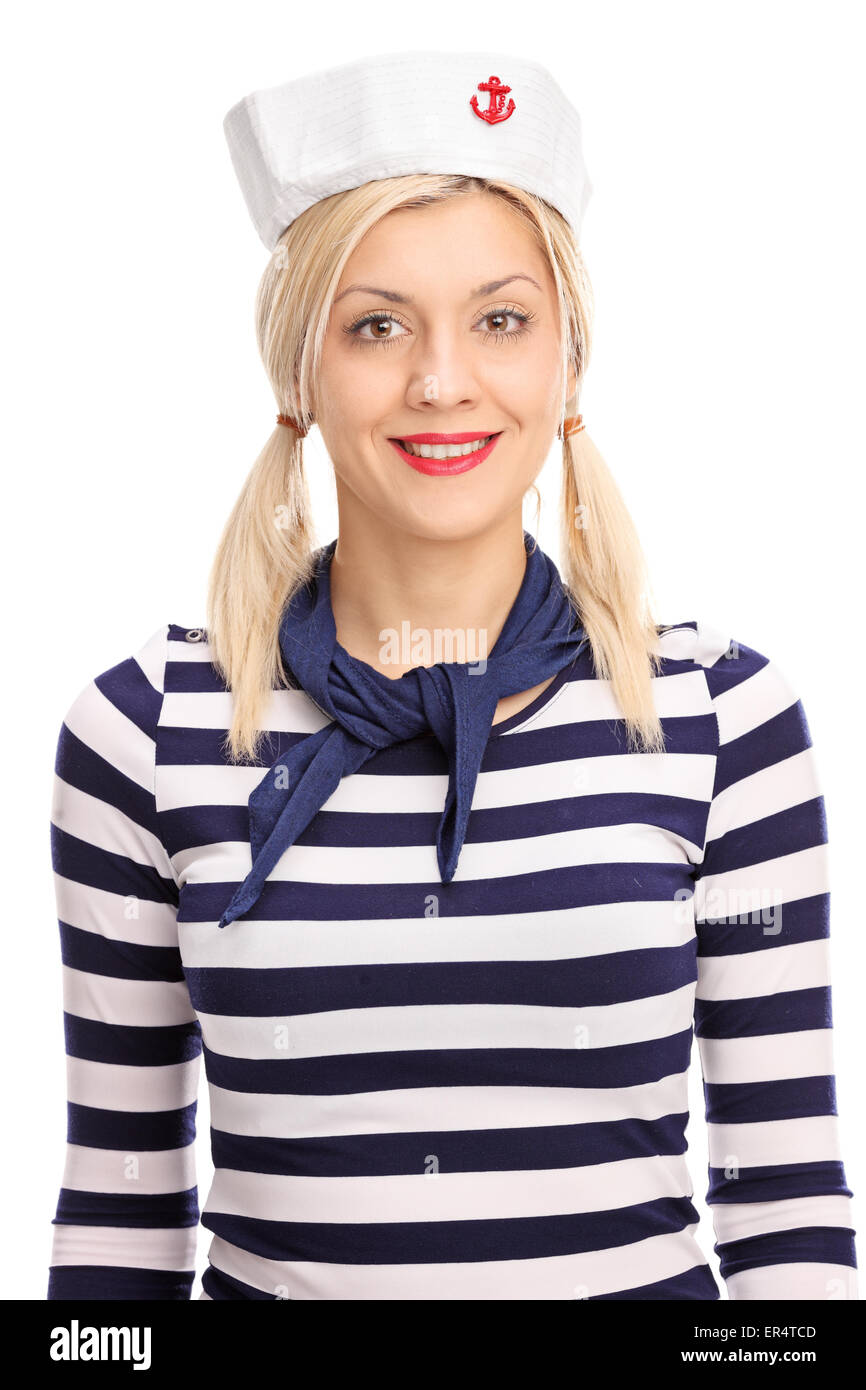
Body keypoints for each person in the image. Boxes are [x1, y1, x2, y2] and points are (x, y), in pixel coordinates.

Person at [46, 50, 857, 1301]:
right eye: (375, 325)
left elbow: (782, 1194)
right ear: (296, 374)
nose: (440, 380)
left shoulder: (721, 720)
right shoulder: (144, 731)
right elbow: (122, 1197)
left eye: (498, 319)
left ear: (567, 364)